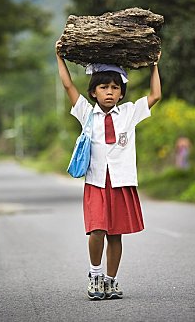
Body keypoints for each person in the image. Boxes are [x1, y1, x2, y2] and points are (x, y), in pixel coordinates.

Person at [55, 40, 162, 300]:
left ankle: (111, 280)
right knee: (97, 230)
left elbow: (156, 95)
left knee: (115, 234)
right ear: (93, 92)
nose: (110, 92)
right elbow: (68, 85)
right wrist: (59, 56)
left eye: (115, 87)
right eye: (103, 87)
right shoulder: (86, 113)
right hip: (96, 182)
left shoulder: (129, 113)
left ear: (122, 93)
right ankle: (95, 275)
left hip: (121, 182)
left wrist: (154, 64)